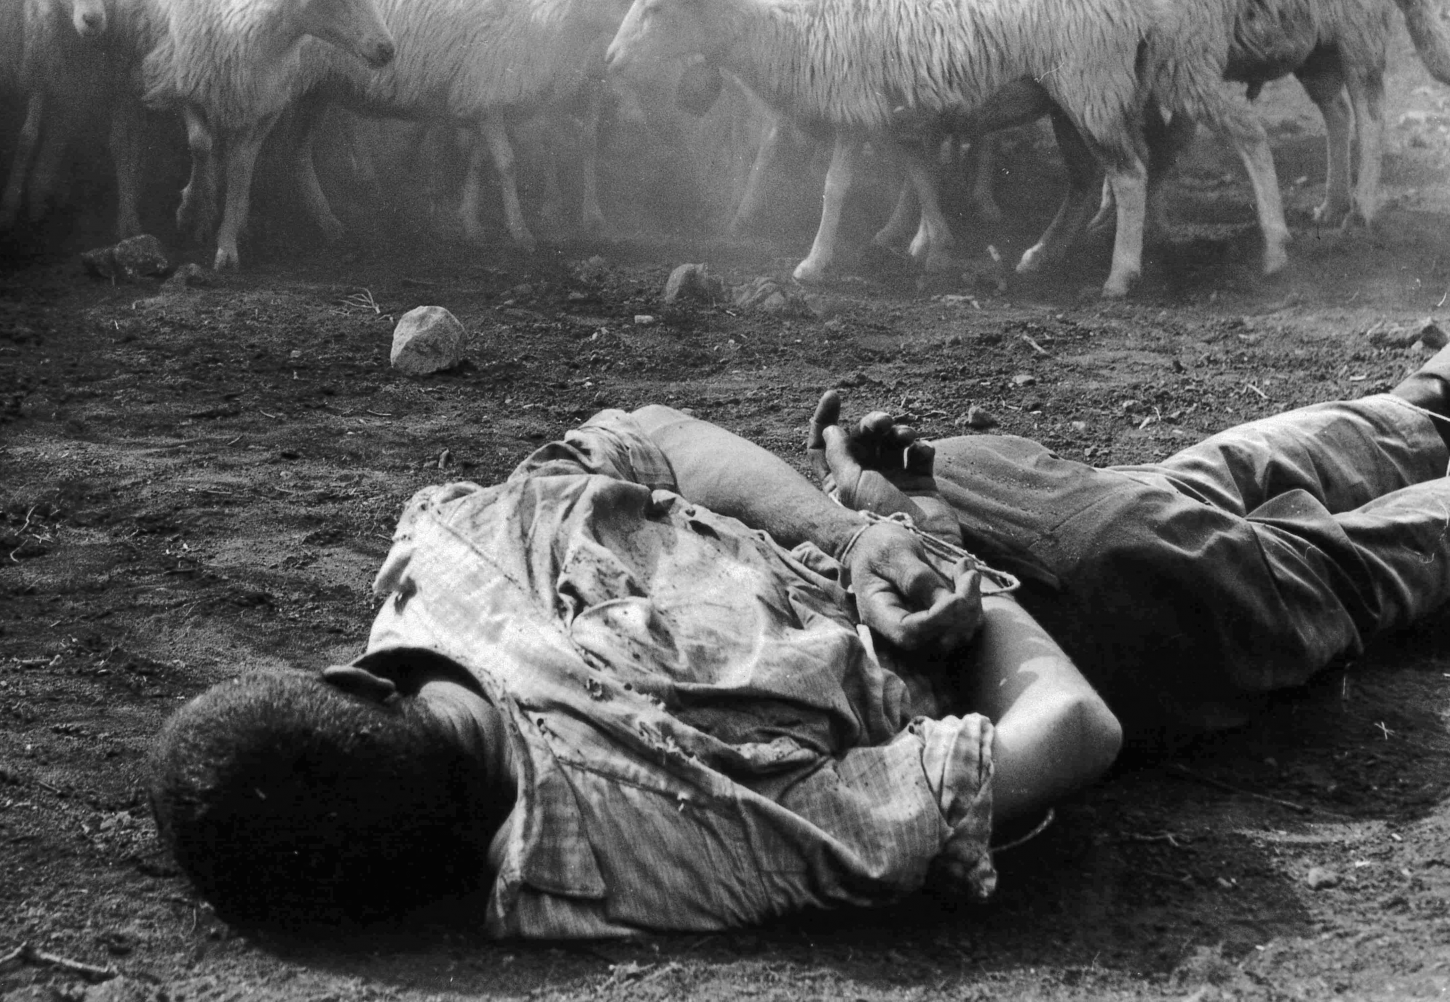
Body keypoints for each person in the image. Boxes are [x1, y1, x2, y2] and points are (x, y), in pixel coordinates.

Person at [147, 346, 1450, 938]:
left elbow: (1068, 733)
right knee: (1246, 507)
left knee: (1241, 509)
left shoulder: (632, 843)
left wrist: (874, 544)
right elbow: (1068, 727)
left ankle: (1422, 402)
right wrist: (907, 552)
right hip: (1052, 590)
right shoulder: (456, 561)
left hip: (984, 561)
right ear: (355, 678)